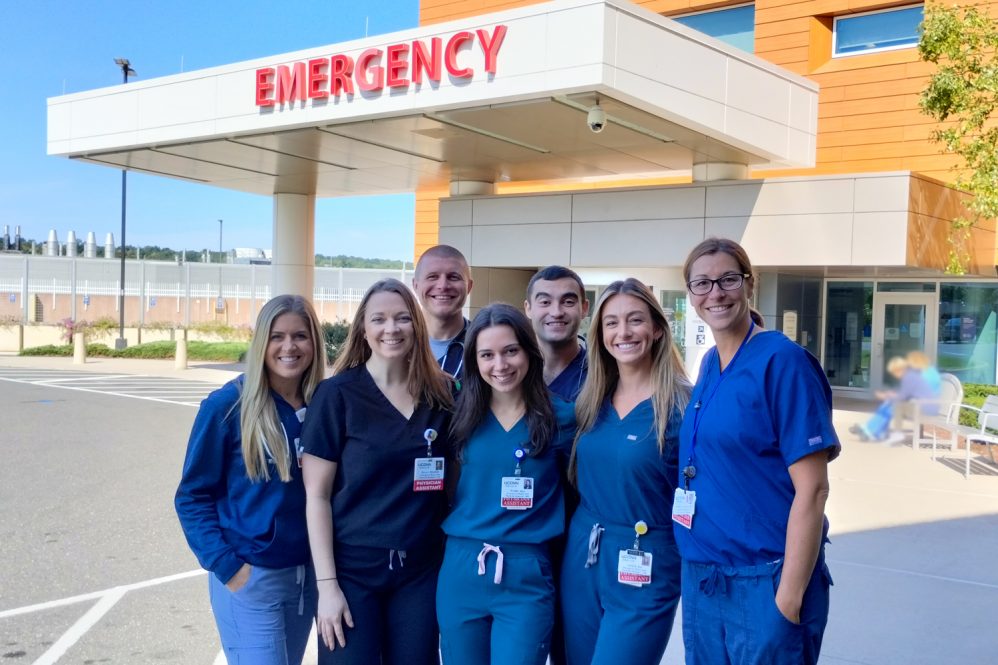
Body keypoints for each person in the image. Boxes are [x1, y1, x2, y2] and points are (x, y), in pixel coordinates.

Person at [677, 237, 840, 664]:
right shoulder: (711, 362)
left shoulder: (783, 361)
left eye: (728, 279)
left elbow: (814, 491)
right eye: (702, 283)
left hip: (764, 580)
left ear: (750, 283)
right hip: (705, 581)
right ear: (690, 296)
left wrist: (786, 601)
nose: (716, 292)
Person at [300, 278, 454, 665]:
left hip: (420, 574)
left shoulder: (443, 396)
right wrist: (328, 587)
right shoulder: (336, 397)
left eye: (403, 318)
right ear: (363, 329)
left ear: (417, 326)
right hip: (352, 574)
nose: (392, 328)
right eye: (379, 319)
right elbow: (316, 497)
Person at [175, 294, 325, 665]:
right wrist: (227, 566)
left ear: (314, 343)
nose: (289, 347)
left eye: (300, 336)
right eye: (277, 336)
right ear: (261, 342)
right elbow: (192, 496)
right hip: (251, 579)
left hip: (307, 578)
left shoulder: (324, 404)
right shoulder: (227, 406)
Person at [436, 303, 575, 664]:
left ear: (529, 351)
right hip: (462, 567)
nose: (500, 365)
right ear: (474, 360)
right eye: (487, 355)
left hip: (526, 572)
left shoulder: (562, 417)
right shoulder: (457, 412)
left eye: (510, 351)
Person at [560, 278, 689, 665]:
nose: (624, 332)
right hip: (584, 554)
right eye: (611, 323)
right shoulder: (590, 399)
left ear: (656, 329)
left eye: (635, 320)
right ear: (599, 333)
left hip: (648, 559)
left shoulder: (683, 405)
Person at [524, 265, 590, 402]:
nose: (556, 312)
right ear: (528, 308)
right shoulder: (511, 371)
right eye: (545, 302)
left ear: (584, 308)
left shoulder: (600, 376)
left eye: (568, 302)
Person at [413, 244, 473, 379]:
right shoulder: (396, 342)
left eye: (453, 277)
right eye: (433, 277)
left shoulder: (484, 343)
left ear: (469, 286)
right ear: (415, 285)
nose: (443, 286)